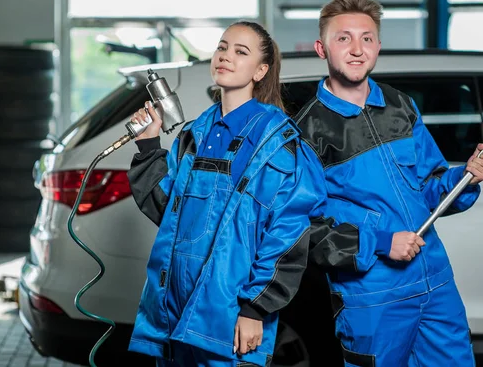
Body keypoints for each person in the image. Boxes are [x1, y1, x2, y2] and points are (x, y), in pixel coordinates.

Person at [125, 20, 347, 367]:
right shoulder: (196, 133)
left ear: (260, 70)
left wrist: (255, 307)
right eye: (222, 47)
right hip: (174, 307)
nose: (225, 56)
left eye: (240, 52)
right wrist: (149, 146)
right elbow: (169, 212)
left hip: (230, 310)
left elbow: (287, 235)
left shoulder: (278, 144)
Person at [294, 0, 483, 366]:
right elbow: (304, 231)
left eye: (367, 38)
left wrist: (466, 177)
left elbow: (431, 185)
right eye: (344, 38)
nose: (357, 49)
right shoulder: (307, 132)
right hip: (373, 294)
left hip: (434, 280)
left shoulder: (400, 105)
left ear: (378, 46)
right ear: (322, 48)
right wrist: (381, 243)